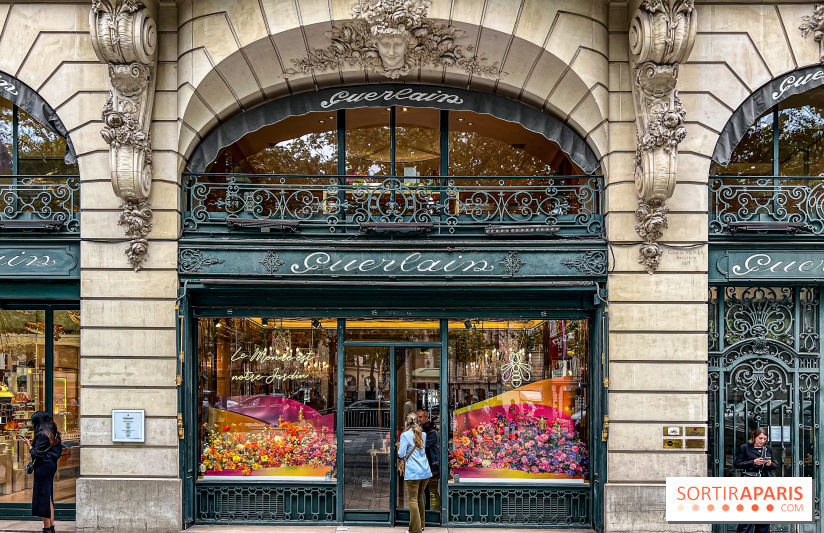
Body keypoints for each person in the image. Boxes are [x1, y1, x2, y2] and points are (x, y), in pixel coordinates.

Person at [22, 411, 63, 533]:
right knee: (48, 496)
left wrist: (29, 446)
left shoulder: (42, 435)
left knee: (43, 497)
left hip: (43, 467)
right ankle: (51, 527)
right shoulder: (54, 434)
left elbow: (37, 454)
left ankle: (46, 528)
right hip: (51, 466)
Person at [734, 427, 776, 533]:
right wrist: (753, 462)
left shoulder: (768, 449)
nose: (762, 441)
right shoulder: (745, 448)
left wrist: (769, 463)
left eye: (764, 439)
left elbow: (775, 465)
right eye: (760, 438)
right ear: (754, 437)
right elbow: (737, 464)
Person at [397, 413, 431, 533]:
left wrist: (399, 447)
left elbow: (401, 454)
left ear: (406, 423)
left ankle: (415, 529)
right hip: (425, 470)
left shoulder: (405, 435)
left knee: (412, 499)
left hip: (413, 471)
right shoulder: (423, 434)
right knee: (419, 497)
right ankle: (421, 524)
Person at [417, 408, 440, 511]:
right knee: (426, 489)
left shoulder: (430, 432)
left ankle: (430, 509)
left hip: (432, 463)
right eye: (417, 417)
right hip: (427, 463)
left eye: (420, 417)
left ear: (426, 418)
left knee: (430, 488)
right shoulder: (423, 429)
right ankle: (427, 509)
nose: (418, 419)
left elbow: (423, 446)